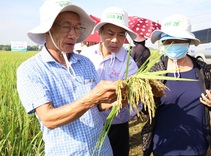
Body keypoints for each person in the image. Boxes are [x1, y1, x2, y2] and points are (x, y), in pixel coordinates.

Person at [16, 0, 128, 155]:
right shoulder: (31, 70)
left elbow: (97, 106)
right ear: (48, 29)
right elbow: (48, 119)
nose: (74, 34)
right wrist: (92, 97)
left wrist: (116, 100)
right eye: (66, 27)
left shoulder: (85, 62)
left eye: (77, 28)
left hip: (102, 149)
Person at [141, 14, 211, 156]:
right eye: (168, 41)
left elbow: (210, 102)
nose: (173, 45)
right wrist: (152, 97)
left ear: (188, 42)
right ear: (163, 43)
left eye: (178, 40)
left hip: (197, 146)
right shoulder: (155, 70)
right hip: (164, 146)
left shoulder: (201, 68)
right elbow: (145, 111)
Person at [82, 6, 141, 156]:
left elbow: (135, 99)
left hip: (117, 126)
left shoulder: (129, 63)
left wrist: (126, 99)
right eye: (110, 33)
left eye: (121, 35)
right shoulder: (86, 55)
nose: (115, 40)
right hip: (88, 124)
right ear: (100, 32)